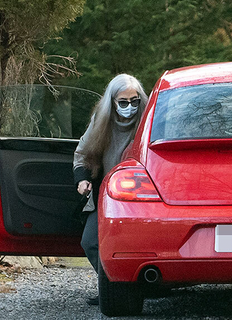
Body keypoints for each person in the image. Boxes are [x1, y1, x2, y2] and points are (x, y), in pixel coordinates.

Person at [73, 74, 148, 305]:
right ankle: (115, 287)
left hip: (143, 195)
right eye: (123, 102)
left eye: (134, 101)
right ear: (112, 102)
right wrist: (83, 179)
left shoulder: (148, 120)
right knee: (91, 242)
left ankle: (147, 286)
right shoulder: (101, 121)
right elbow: (82, 154)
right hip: (107, 196)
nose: (129, 107)